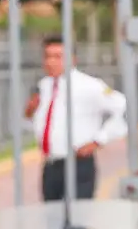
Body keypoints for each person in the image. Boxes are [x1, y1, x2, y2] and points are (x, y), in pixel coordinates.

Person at [24, 35, 127, 202]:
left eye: (58, 57)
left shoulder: (88, 86)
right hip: (51, 164)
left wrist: (99, 140)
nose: (51, 62)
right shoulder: (44, 86)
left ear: (72, 59)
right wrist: (29, 112)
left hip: (78, 163)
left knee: (78, 214)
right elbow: (41, 121)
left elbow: (122, 108)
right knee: (51, 214)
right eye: (47, 56)